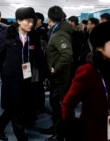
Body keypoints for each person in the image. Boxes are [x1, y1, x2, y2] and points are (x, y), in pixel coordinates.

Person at [0, 7, 43, 141]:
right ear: (19, 21)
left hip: (27, 77)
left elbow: (39, 57)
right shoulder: (7, 35)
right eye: (28, 21)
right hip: (10, 79)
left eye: (33, 21)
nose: (31, 24)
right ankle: (21, 136)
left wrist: (45, 75)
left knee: (14, 107)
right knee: (16, 108)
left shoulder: (33, 36)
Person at [43, 5, 73, 141]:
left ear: (49, 18)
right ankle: (56, 128)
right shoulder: (57, 30)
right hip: (58, 77)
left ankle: (60, 134)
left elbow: (67, 54)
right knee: (55, 105)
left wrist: (57, 68)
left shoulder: (60, 34)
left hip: (61, 77)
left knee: (60, 106)